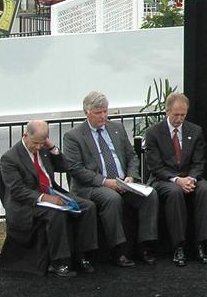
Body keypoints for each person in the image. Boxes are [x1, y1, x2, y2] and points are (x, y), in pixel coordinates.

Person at [62, 91, 159, 266]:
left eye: (105, 111)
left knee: (149, 194)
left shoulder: (117, 128)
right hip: (94, 186)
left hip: (123, 181)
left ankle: (145, 245)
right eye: (98, 112)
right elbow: (76, 170)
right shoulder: (73, 136)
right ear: (87, 112)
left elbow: (132, 156)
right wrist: (106, 182)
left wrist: (130, 176)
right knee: (112, 198)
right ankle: (118, 250)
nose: (103, 116)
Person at [0, 120, 98, 277]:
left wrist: (52, 147)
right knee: (56, 214)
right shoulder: (10, 158)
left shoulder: (44, 150)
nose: (38, 147)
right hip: (27, 203)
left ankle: (83, 254)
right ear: (25, 135)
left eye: (41, 143)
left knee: (88, 207)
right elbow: (18, 191)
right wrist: (44, 198)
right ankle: (59, 262)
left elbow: (65, 167)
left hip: (52, 192)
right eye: (35, 143)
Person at [142, 92, 207, 265]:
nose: (179, 118)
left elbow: (199, 161)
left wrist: (192, 178)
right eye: (176, 115)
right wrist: (177, 180)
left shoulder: (195, 131)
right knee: (174, 193)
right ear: (167, 112)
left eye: (183, 115)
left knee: (205, 189)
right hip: (164, 179)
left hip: (189, 176)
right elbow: (155, 167)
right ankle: (179, 246)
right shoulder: (153, 133)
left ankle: (201, 243)